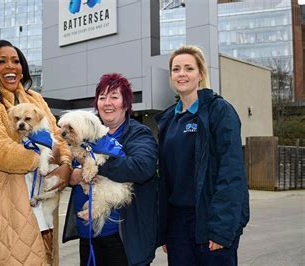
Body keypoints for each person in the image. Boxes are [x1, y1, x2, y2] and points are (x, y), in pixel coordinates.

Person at [0, 40, 72, 265]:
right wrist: (44, 157)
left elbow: (58, 137)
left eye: (16, 61)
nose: (10, 66)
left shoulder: (35, 99)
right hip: (0, 203)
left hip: (39, 203)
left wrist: (66, 167)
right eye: (1, 61)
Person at [155, 45, 250, 266]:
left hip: (210, 220)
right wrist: (166, 228)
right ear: (170, 76)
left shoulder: (220, 111)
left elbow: (231, 172)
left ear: (200, 74)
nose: (182, 74)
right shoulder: (168, 120)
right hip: (178, 225)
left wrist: (221, 229)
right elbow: (166, 180)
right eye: (176, 69)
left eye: (189, 68)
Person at [62, 73, 159, 266]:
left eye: (114, 97)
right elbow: (73, 175)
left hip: (122, 238)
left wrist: (95, 165)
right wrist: (77, 173)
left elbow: (142, 168)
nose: (107, 103)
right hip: (88, 234)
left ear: (126, 103)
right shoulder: (84, 136)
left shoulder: (138, 133)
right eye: (102, 97)